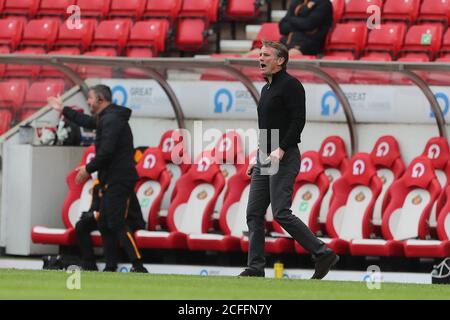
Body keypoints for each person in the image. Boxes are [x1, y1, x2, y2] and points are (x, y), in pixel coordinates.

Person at [238, 41, 339, 279]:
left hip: (284, 156)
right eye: (259, 54)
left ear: (281, 60)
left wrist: (281, 149)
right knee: (253, 213)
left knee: (281, 212)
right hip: (266, 156)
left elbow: (298, 121)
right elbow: (266, 128)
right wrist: (258, 156)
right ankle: (255, 267)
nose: (260, 58)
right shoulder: (266, 89)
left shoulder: (292, 85)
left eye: (265, 55)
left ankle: (322, 252)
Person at [48, 85, 148, 273]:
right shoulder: (107, 118)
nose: (88, 101)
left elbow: (106, 153)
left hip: (120, 179)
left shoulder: (111, 119)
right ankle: (110, 267)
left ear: (100, 100)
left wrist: (88, 168)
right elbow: (86, 121)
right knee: (104, 222)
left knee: (116, 222)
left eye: (90, 98)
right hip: (111, 179)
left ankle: (138, 265)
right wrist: (63, 109)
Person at [75, 180, 145, 271]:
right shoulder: (98, 186)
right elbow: (95, 207)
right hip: (107, 218)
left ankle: (119, 265)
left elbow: (123, 213)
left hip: (129, 220)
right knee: (81, 225)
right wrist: (90, 214)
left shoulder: (122, 185)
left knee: (112, 225)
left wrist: (98, 215)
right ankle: (89, 264)